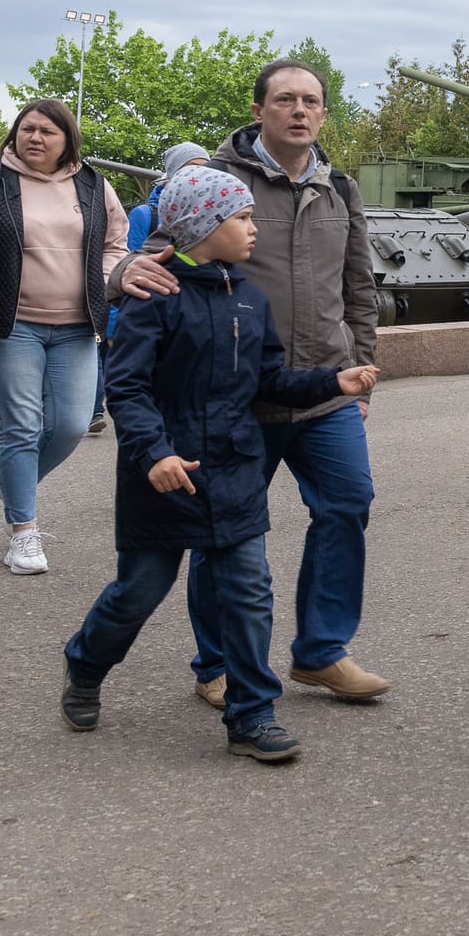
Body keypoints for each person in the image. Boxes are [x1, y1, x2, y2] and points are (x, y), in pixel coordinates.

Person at [60, 168, 381, 761]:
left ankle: (251, 715)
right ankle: (84, 665)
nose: (253, 229)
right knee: (140, 590)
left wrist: (331, 381)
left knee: (249, 591)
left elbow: (269, 381)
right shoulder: (153, 298)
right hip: (162, 474)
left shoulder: (248, 298)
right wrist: (154, 453)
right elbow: (126, 390)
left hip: (231, 468)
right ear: (204, 225)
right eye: (243, 219)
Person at [113, 61, 387, 705]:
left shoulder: (338, 188)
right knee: (222, 533)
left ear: (323, 114)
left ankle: (321, 653)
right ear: (260, 109)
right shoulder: (213, 182)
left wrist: (362, 374)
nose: (299, 110)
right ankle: (219, 663)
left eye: (311, 101)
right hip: (229, 399)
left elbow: (359, 288)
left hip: (320, 389)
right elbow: (153, 255)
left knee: (347, 506)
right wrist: (122, 271)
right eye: (285, 99)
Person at [0, 98, 130, 576]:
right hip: (10, 326)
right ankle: (23, 533)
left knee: (73, 425)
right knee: (23, 428)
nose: (35, 138)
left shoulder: (94, 185)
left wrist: (106, 277)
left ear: (67, 139)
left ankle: (15, 482)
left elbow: (116, 242)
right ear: (14, 134)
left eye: (47, 132)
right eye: (27, 129)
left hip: (76, 326)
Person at [87, 142, 207, 435]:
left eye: (207, 169)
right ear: (174, 174)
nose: (201, 176)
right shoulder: (145, 215)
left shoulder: (213, 212)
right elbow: (124, 267)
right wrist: (115, 330)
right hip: (149, 315)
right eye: (193, 168)